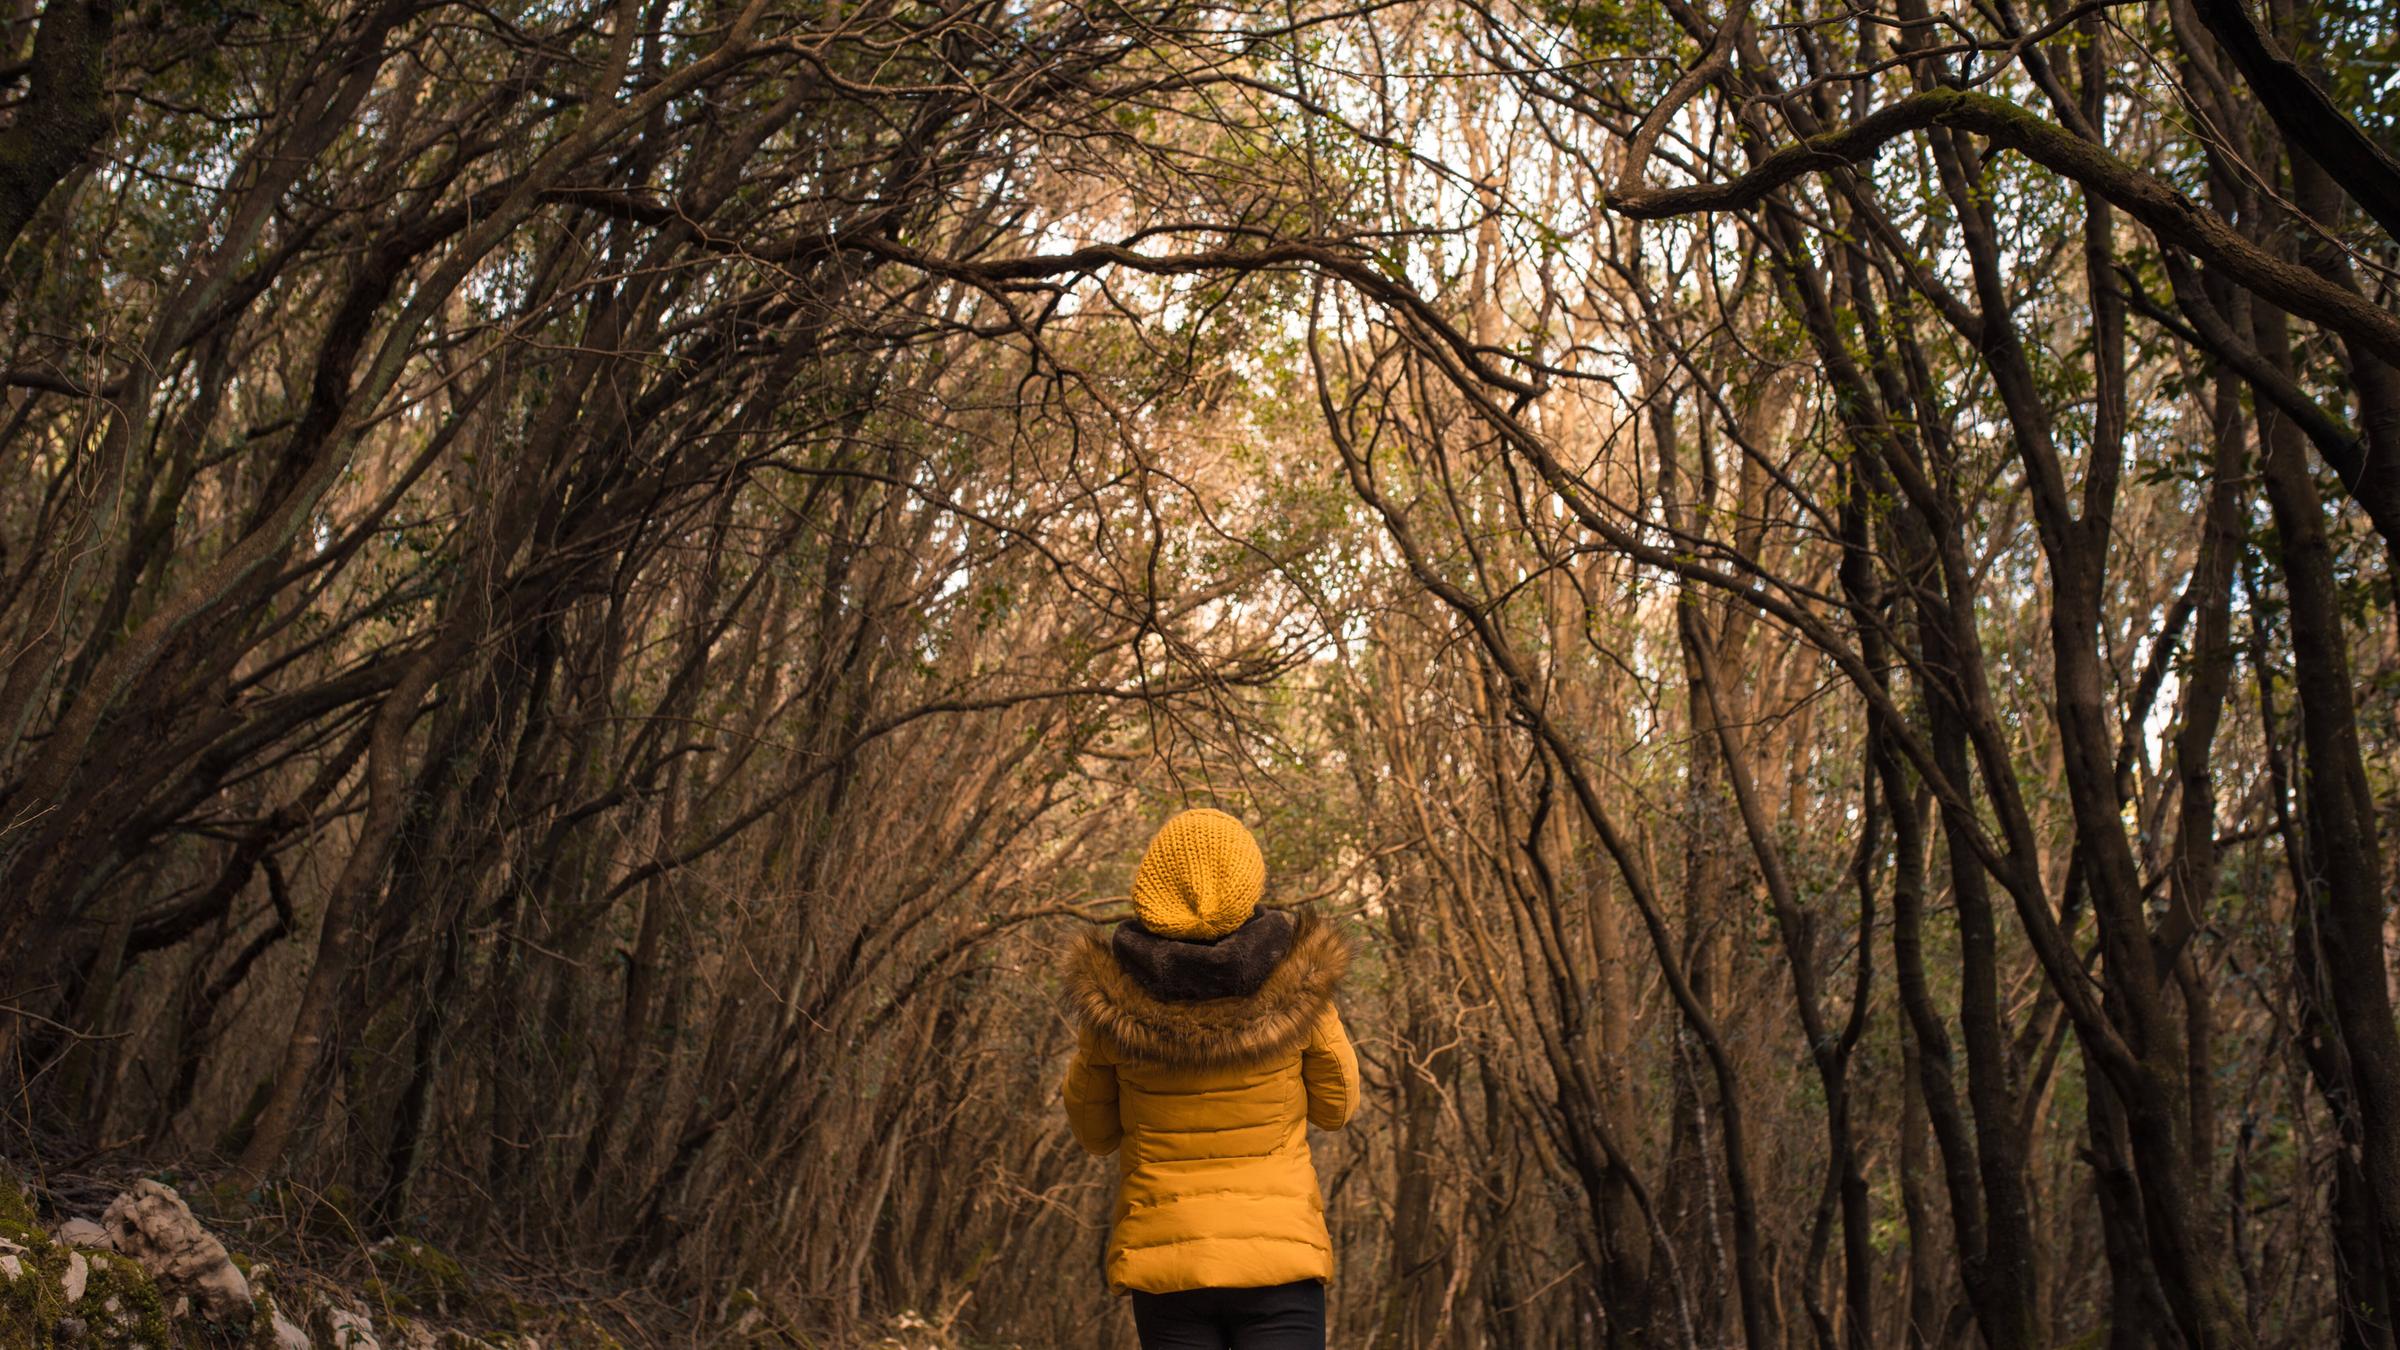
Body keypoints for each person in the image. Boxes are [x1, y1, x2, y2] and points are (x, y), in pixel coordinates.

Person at [1062, 806, 1359, 1350]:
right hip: (1279, 1259)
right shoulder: (1301, 994)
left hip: (1168, 1261)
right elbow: (1337, 1108)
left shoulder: (1110, 1010)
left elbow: (1095, 1134)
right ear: (1248, 885)